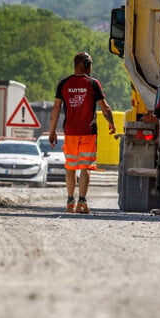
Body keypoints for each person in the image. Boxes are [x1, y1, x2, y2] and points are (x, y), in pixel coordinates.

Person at [48, 52, 116, 214]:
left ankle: (70, 202)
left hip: (70, 133)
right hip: (87, 133)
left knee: (70, 168)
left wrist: (52, 131)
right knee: (85, 167)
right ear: (84, 64)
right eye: (90, 63)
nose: (91, 67)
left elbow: (56, 108)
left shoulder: (63, 83)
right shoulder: (93, 83)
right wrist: (111, 122)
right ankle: (82, 203)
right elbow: (105, 107)